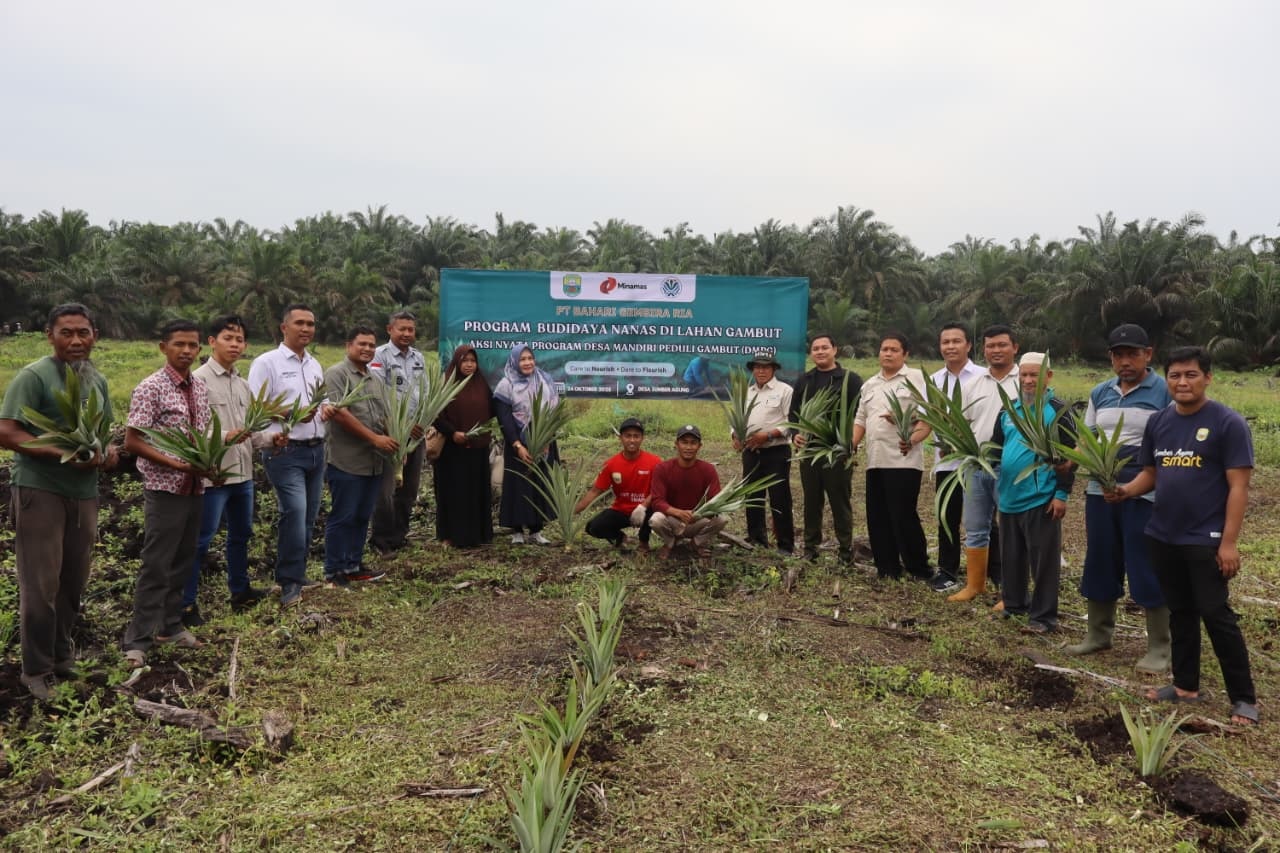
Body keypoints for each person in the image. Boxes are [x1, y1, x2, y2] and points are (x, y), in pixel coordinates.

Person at [1110, 346, 1258, 727]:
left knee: (1216, 614)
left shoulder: (1227, 423)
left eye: (1191, 374)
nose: (1182, 382)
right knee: (1181, 612)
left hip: (1204, 538)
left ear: (1208, 377)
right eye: (1175, 375)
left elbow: (1238, 487)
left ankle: (1243, 697)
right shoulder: (1159, 422)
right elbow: (1152, 475)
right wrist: (1126, 491)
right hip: (1163, 534)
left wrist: (1228, 543)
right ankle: (1185, 685)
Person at [0, 304, 117, 700]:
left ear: (94, 335)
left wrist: (107, 453)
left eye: (83, 332)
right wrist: (58, 452)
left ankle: (62, 655)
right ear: (50, 335)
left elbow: (105, 434)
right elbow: (7, 431)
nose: (76, 340)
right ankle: (35, 669)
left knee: (73, 581)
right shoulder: (34, 376)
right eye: (66, 332)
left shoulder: (96, 380)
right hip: (41, 490)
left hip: (84, 494)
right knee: (40, 583)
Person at [1065, 324, 1172, 673]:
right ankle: (1098, 634)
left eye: (1133, 354)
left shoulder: (1164, 391)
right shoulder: (1100, 393)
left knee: (1144, 562)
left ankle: (1159, 646)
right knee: (1100, 558)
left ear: (1148, 355)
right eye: (1118, 354)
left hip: (1146, 492)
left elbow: (1171, 443)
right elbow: (1087, 438)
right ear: (1111, 357)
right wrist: (1069, 459)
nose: (1125, 361)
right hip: (1100, 491)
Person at [121, 320, 216, 668]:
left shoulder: (200, 388)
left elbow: (202, 438)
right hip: (165, 489)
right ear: (163, 347)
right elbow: (133, 441)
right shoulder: (151, 388)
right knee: (156, 565)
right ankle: (138, 640)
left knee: (183, 559)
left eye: (193, 345)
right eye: (179, 344)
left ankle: (170, 627)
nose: (187, 351)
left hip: (194, 488)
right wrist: (178, 465)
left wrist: (210, 465)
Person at [180, 316, 268, 627]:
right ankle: (186, 605)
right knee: (200, 541)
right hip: (214, 475)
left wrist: (273, 439)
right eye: (228, 338)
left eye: (240, 339)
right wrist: (223, 436)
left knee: (241, 535)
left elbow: (253, 431)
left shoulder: (243, 385)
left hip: (242, 474)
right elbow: (188, 432)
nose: (235, 344)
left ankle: (240, 591)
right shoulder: (197, 382)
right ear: (212, 341)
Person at [248, 303, 326, 608]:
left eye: (311, 324)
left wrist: (326, 410)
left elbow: (321, 402)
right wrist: (291, 412)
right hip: (285, 451)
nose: (306, 329)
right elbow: (254, 405)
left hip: (316, 451)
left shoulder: (315, 364)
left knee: (307, 517)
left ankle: (298, 572)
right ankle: (289, 582)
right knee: (293, 513)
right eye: (300, 323)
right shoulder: (266, 363)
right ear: (284, 327)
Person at [990, 352, 1075, 634]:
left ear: (1047, 377)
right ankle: (1014, 604)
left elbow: (1071, 457)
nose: (1027, 380)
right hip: (1009, 497)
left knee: (1043, 563)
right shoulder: (1008, 410)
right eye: (1023, 375)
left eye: (1033, 375)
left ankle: (1043, 617)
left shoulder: (1058, 410)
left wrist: (1061, 495)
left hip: (1041, 497)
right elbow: (996, 448)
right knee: (1011, 556)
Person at [851, 333, 935, 582]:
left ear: (905, 354)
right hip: (875, 459)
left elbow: (928, 416)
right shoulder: (870, 385)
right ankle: (887, 568)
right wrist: (851, 443)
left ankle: (919, 568)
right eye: (884, 349)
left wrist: (913, 438)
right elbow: (860, 419)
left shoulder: (916, 379)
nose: (887, 353)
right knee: (877, 515)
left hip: (903, 458)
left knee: (903, 514)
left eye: (894, 350)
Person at [947, 324, 1019, 603]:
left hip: (1010, 466)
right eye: (990, 346)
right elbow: (960, 423)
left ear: (1015, 347)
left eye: (1002, 345)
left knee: (1012, 529)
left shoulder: (1023, 380)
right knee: (975, 526)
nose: (996, 350)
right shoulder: (973, 384)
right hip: (976, 465)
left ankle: (1011, 591)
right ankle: (975, 585)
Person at [323, 327, 395, 586]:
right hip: (347, 460)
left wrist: (395, 437)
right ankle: (334, 570)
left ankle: (354, 564)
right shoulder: (336, 374)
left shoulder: (374, 379)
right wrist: (375, 439)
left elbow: (384, 415)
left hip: (374, 461)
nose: (367, 349)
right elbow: (341, 414)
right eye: (361, 344)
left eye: (371, 345)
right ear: (348, 345)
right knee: (343, 515)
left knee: (363, 515)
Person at [789, 333, 863, 562]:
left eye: (824, 347)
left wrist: (850, 444)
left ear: (834, 350)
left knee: (839, 501)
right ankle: (810, 549)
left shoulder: (850, 379)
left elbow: (861, 414)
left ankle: (845, 550)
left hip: (837, 451)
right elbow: (793, 413)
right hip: (810, 451)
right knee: (812, 501)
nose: (820, 352)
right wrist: (795, 436)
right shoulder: (804, 380)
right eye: (815, 348)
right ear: (811, 353)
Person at [928, 323, 984, 592]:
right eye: (945, 342)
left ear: (968, 345)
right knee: (946, 515)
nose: (950, 346)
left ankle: (991, 571)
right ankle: (947, 570)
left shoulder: (984, 377)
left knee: (984, 517)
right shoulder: (935, 380)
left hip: (978, 460)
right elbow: (927, 417)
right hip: (946, 460)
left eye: (956, 341)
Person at [369, 310, 427, 554]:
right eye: (401, 329)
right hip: (391, 433)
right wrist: (396, 429)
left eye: (410, 329)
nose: (406, 333)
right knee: (386, 489)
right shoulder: (379, 356)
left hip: (416, 433)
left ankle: (400, 535)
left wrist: (422, 422)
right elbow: (378, 395)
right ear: (389, 329)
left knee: (409, 487)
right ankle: (381, 539)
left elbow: (423, 391)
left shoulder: (418, 358)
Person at [493, 344, 560, 544]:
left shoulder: (545, 380)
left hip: (545, 440)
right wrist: (517, 445)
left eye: (530, 358)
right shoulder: (506, 385)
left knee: (540, 483)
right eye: (522, 359)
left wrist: (546, 438)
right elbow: (504, 418)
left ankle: (537, 530)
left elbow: (554, 411)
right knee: (518, 485)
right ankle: (517, 531)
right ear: (514, 361)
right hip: (518, 443)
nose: (527, 362)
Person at [433, 345, 496, 548]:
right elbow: (435, 414)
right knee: (453, 492)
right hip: (452, 450)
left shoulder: (482, 384)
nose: (469, 365)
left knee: (476, 490)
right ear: (457, 362)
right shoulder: (446, 384)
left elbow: (492, 410)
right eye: (465, 360)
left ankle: (478, 534)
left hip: (477, 447)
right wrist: (453, 433)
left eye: (472, 361)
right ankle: (450, 535)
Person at [733, 352, 795, 554]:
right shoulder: (746, 392)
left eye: (765, 367)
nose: (761, 370)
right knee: (752, 496)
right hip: (751, 453)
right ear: (752, 369)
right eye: (757, 367)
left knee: (780, 498)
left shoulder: (785, 391)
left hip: (776, 452)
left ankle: (785, 545)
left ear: (773, 369)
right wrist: (735, 436)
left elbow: (790, 423)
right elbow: (736, 419)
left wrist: (767, 435)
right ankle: (757, 540)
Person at [575, 417, 662, 551]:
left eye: (636, 436)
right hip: (622, 510)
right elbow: (595, 491)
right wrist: (574, 510)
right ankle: (621, 538)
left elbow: (658, 490)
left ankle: (644, 542)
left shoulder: (654, 462)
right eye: (628, 436)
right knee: (593, 527)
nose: (632, 440)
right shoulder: (611, 464)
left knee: (655, 509)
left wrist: (642, 507)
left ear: (642, 438)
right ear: (620, 438)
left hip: (644, 509)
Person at [649, 425, 728, 559]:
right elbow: (657, 501)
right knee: (656, 519)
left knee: (723, 519)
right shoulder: (663, 468)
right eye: (684, 442)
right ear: (676, 444)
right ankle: (669, 543)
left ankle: (696, 543)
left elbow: (715, 500)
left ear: (699, 446)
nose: (688, 447)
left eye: (693, 443)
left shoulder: (708, 469)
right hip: (673, 520)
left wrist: (698, 514)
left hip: (697, 520)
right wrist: (678, 513)